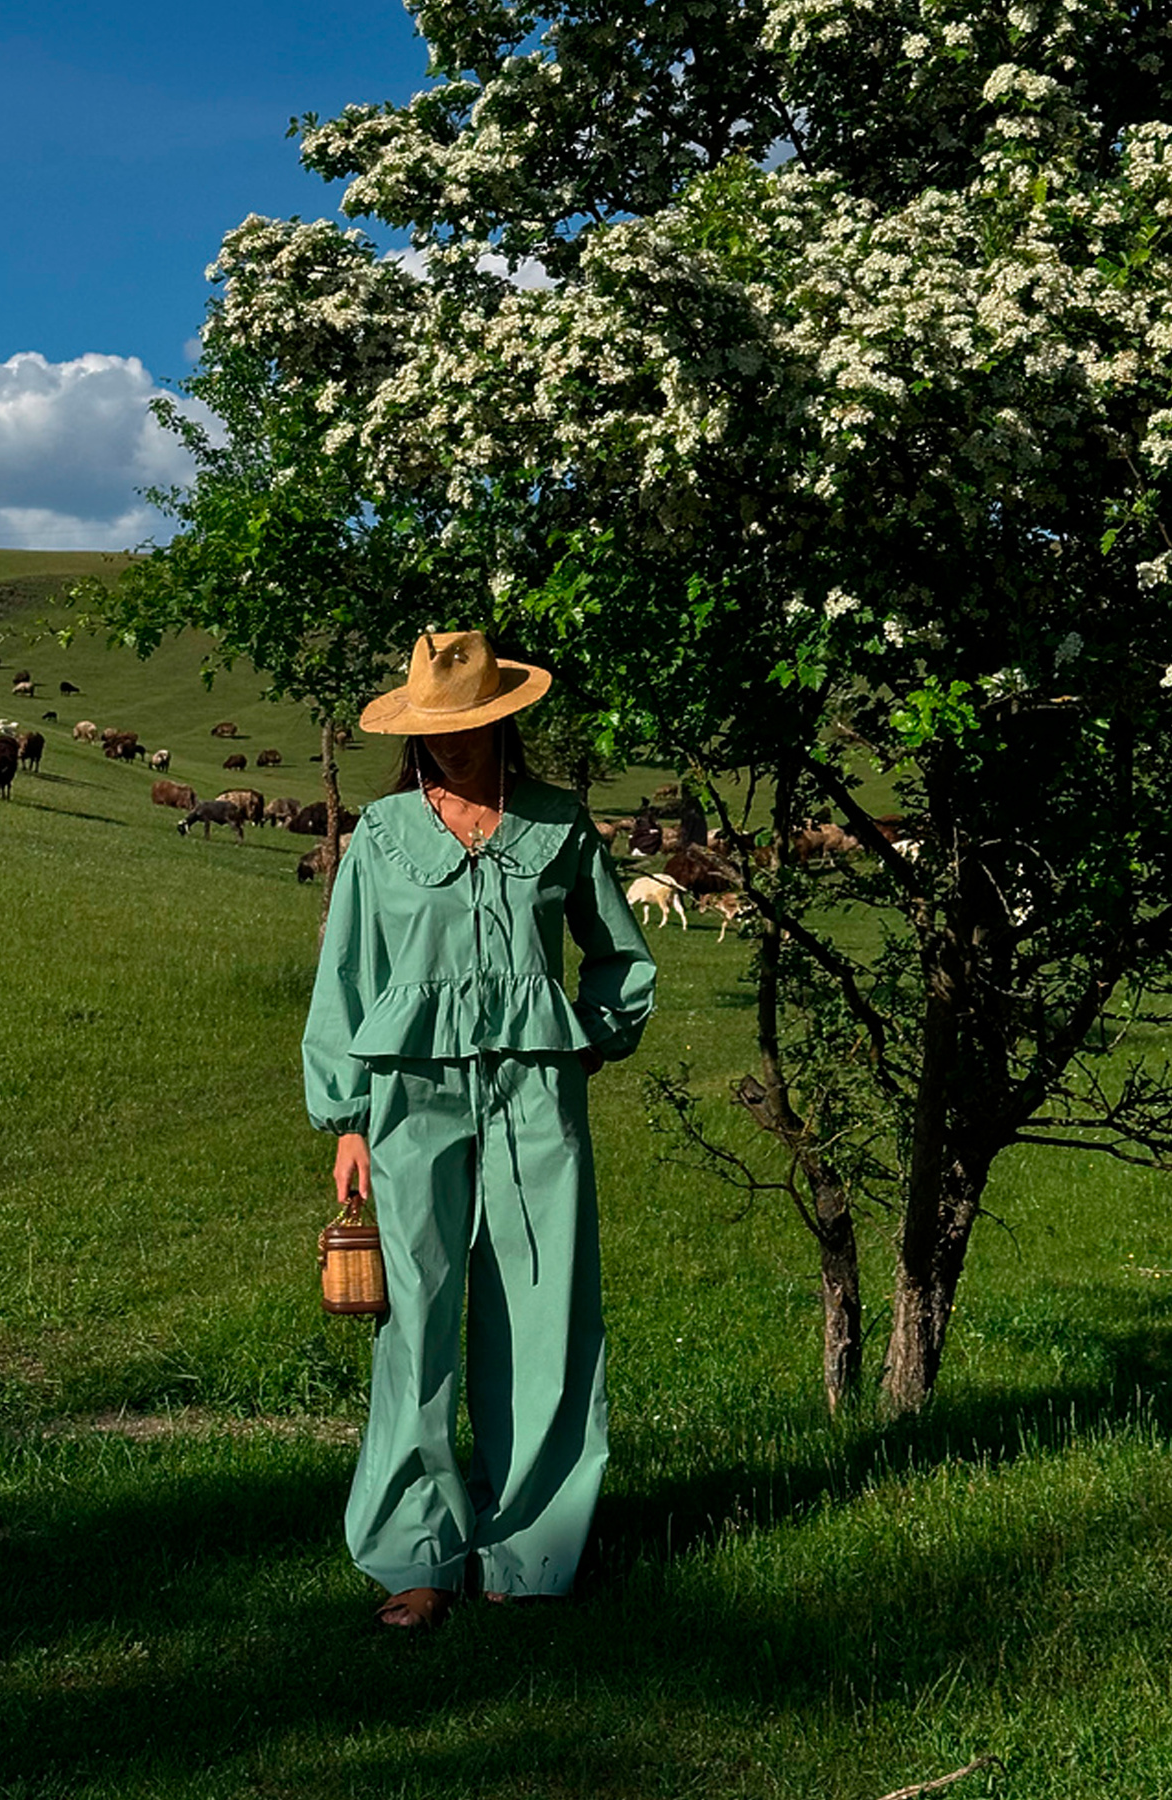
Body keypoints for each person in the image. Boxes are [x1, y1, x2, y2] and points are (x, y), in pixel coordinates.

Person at [302, 630, 656, 1628]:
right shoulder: (381, 835)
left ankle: (531, 1556)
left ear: (506, 721)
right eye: (439, 732)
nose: (455, 746)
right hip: (409, 1100)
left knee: (543, 1312)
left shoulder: (558, 825)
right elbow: (346, 978)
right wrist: (345, 1118)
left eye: (473, 727)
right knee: (412, 1318)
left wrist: (585, 1037)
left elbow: (617, 958)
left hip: (539, 1099)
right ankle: (417, 1554)